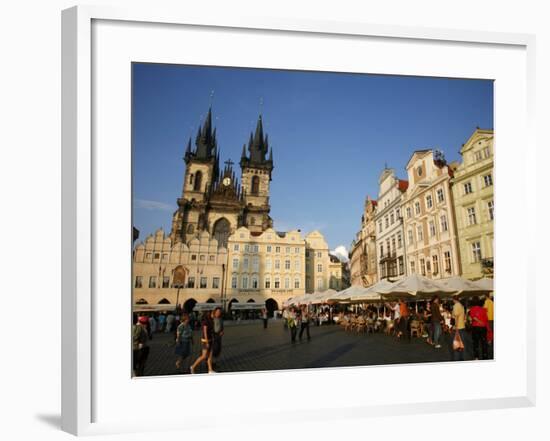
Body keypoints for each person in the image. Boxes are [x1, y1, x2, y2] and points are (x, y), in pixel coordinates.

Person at [451, 295, 467, 361]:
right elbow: (464, 316)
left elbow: (456, 316)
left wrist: (456, 326)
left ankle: (457, 358)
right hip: (462, 325)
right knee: (462, 343)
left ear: (454, 300)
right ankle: (462, 357)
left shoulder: (456, 306)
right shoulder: (461, 305)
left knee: (457, 343)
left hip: (458, 326)